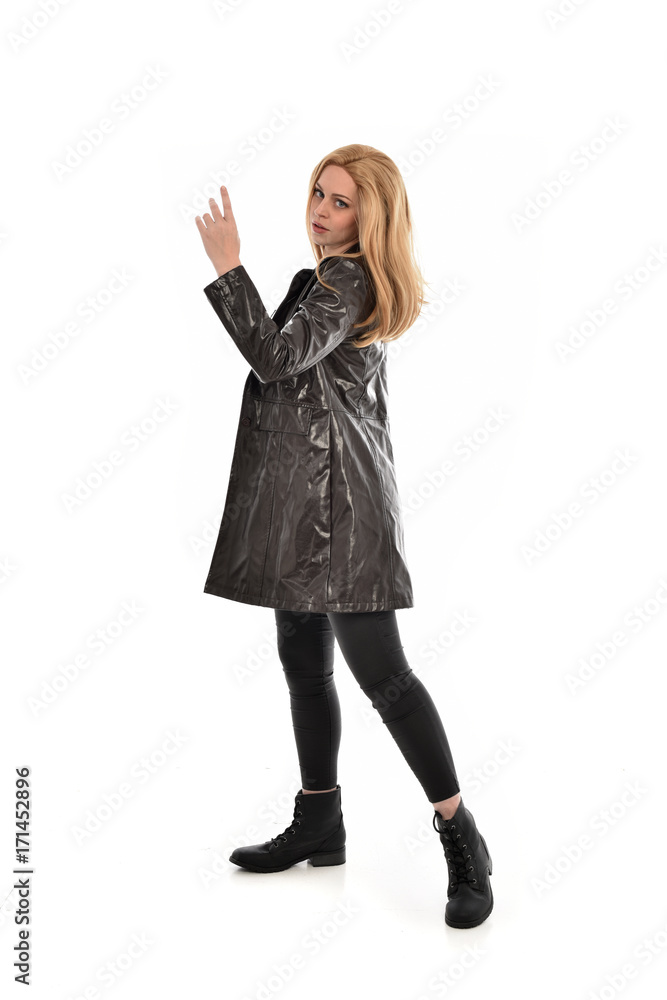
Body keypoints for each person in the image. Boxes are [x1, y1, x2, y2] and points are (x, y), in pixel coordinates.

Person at [194, 144, 493, 929]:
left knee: (384, 679)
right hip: (304, 503)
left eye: (341, 202)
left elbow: (273, 357)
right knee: (303, 664)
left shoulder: (348, 279)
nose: (322, 211)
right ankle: (319, 818)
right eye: (318, 195)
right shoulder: (326, 278)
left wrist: (229, 268)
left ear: (372, 218)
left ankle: (462, 836)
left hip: (342, 515)